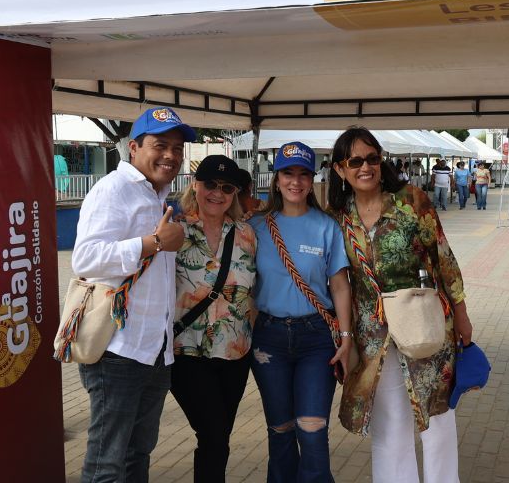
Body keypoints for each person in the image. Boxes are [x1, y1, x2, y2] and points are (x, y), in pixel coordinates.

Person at [327, 127, 473, 483]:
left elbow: (444, 258)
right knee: (390, 424)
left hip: (424, 322)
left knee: (436, 420)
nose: (366, 167)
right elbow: (339, 280)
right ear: (339, 170)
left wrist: (462, 315)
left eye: (372, 159)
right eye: (355, 161)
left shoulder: (411, 201)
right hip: (374, 336)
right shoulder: (338, 218)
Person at [71, 106, 195, 483]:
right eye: (161, 145)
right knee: (106, 462)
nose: (171, 155)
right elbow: (86, 259)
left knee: (137, 454)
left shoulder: (159, 194)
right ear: (134, 147)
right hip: (117, 350)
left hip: (154, 350)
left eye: (177, 147)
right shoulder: (113, 190)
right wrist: (154, 241)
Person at [248, 141, 354, 483]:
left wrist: (347, 338)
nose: (296, 181)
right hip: (269, 340)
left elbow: (339, 286)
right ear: (276, 179)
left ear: (312, 179)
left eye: (304, 174)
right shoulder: (257, 227)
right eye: (288, 173)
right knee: (280, 431)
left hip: (316, 339)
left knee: (312, 430)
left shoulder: (327, 227)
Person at [170, 155, 257, 483]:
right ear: (195, 184)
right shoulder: (175, 232)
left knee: (217, 439)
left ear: (235, 192)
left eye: (226, 187)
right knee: (214, 433)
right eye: (210, 184)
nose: (217, 193)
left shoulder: (248, 234)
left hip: (235, 354)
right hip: (187, 353)